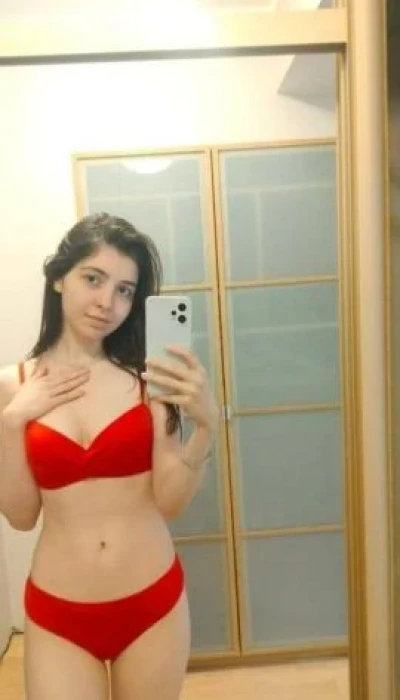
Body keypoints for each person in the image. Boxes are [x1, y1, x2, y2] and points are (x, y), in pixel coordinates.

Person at [0, 212, 218, 700]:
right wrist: (13, 421)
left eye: (124, 290)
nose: (107, 302)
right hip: (59, 611)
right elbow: (20, 516)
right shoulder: (12, 386)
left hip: (151, 604)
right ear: (60, 277)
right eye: (93, 279)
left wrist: (206, 428)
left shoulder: (149, 381)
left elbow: (171, 502)